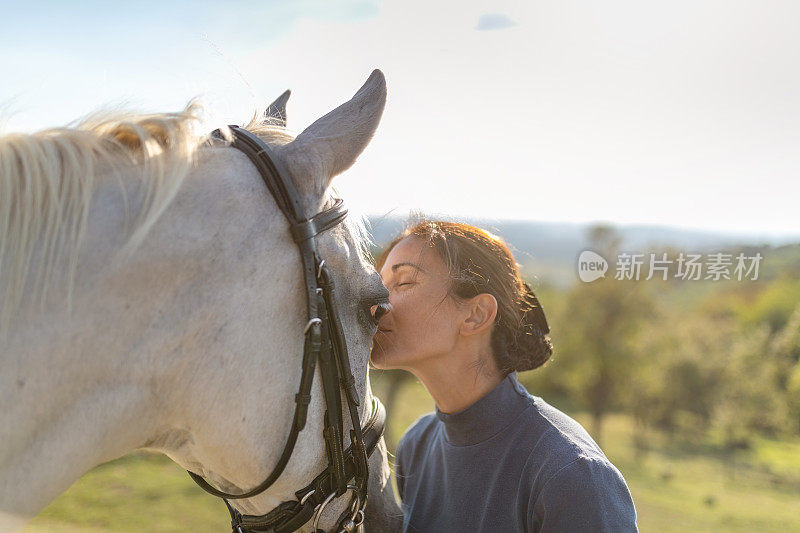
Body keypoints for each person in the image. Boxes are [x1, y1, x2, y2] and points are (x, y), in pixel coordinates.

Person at [370, 220, 638, 533]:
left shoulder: (570, 473)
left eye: (402, 283)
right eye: (379, 282)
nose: (375, 302)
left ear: (476, 314)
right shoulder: (418, 444)